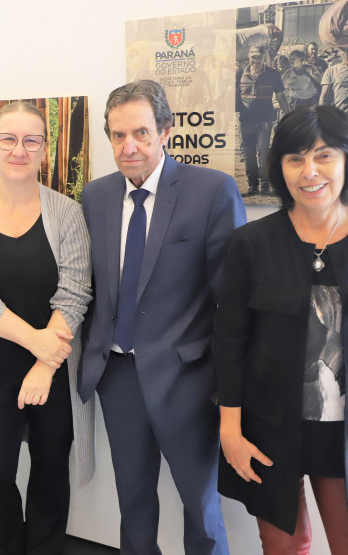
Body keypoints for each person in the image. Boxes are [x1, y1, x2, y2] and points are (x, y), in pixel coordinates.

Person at [215, 104, 348, 555]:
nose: (309, 171)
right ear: (279, 167)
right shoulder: (251, 244)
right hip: (267, 429)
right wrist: (230, 431)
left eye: (324, 156)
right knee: (284, 547)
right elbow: (229, 341)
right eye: (295, 158)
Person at [78, 80, 245, 555]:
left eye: (141, 133)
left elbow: (231, 301)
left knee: (201, 508)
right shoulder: (96, 197)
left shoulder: (211, 190)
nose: (128, 146)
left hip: (188, 379)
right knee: (132, 502)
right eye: (117, 135)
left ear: (166, 132)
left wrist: (224, 384)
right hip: (117, 376)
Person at [0, 101, 95, 554]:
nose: (19, 150)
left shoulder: (67, 213)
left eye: (31, 140)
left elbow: (75, 293)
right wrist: (37, 345)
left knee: (51, 471)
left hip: (54, 374)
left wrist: (46, 367)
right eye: (8, 139)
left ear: (44, 150)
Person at [237, 44, 291, 196]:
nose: (256, 60)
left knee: (263, 152)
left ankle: (265, 183)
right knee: (249, 153)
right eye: (253, 57)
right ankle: (253, 185)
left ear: (264, 58)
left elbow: (280, 96)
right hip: (246, 120)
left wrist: (288, 113)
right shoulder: (240, 73)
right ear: (249, 57)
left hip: (265, 120)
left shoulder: (273, 74)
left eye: (259, 57)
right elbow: (233, 94)